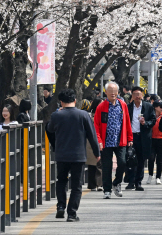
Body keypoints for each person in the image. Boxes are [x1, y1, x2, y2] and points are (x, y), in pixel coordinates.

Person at [46, 88, 100, 222]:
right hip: (78, 155)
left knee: (61, 181)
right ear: (75, 100)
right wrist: (96, 152)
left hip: (61, 154)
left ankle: (60, 206)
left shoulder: (56, 115)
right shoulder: (83, 115)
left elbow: (50, 129)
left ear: (61, 101)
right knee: (77, 185)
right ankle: (72, 213)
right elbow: (92, 135)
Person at [94, 82, 132, 198]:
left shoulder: (122, 105)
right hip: (106, 141)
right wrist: (99, 141)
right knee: (107, 166)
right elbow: (96, 125)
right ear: (106, 93)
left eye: (115, 91)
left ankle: (116, 182)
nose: (113, 94)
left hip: (120, 140)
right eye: (110, 91)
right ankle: (107, 190)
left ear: (118, 92)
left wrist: (130, 138)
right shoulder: (101, 107)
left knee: (122, 162)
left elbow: (127, 122)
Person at [127, 86, 155, 191]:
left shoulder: (148, 107)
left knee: (140, 160)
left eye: (139, 94)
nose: (137, 96)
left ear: (142, 95)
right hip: (131, 136)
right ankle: (130, 182)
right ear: (132, 96)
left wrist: (145, 123)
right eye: (135, 94)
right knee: (130, 159)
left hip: (143, 136)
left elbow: (153, 120)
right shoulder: (128, 107)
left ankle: (138, 182)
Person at [85, 97, 103, 191]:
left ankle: (99, 184)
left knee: (100, 164)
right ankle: (92, 185)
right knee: (92, 165)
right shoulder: (89, 116)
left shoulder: (105, 115)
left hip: (102, 141)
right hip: (91, 142)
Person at [147, 101, 162, 185]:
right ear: (155, 107)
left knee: (159, 160)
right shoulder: (151, 116)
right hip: (152, 139)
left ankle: (158, 177)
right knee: (151, 158)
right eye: (160, 106)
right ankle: (150, 175)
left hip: (161, 139)